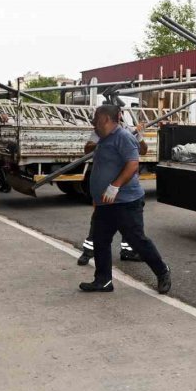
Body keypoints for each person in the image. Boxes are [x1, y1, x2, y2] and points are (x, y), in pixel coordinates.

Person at [80, 104, 170, 294]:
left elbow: (132, 164)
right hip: (105, 203)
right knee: (100, 240)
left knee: (137, 240)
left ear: (105, 119)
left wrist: (115, 186)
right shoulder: (103, 137)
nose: (93, 121)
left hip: (125, 202)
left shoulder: (123, 136)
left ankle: (162, 271)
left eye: (96, 117)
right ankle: (103, 280)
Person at [77, 117, 146, 266]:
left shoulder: (129, 131)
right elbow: (87, 149)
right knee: (100, 219)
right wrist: (103, 140)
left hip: (126, 185)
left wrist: (139, 136)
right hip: (106, 183)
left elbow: (144, 151)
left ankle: (128, 251)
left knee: (130, 222)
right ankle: (89, 251)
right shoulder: (100, 131)